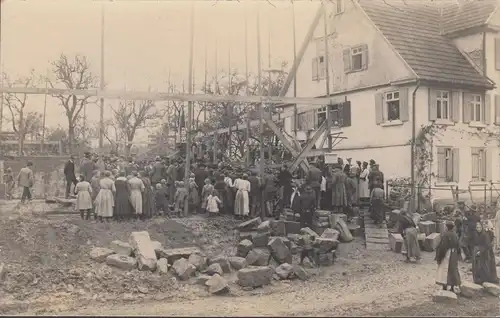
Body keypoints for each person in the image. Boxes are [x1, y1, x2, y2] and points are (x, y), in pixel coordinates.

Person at [435, 221, 461, 292]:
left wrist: (439, 257)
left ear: (446, 227)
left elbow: (443, 247)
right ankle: (452, 286)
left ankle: (445, 286)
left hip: (447, 253)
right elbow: (458, 246)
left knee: (445, 269)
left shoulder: (446, 235)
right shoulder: (455, 234)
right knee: (453, 269)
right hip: (454, 253)